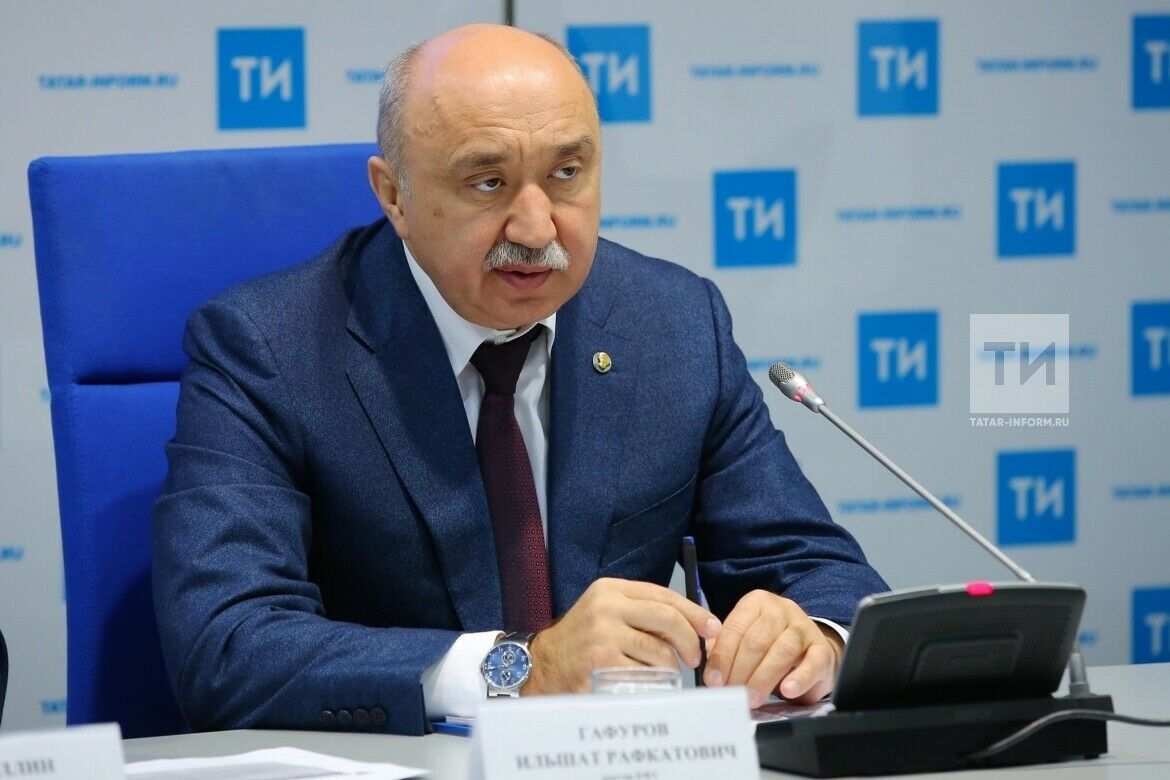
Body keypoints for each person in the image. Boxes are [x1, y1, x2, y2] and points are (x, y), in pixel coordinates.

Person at [153, 23, 887, 736]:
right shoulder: (269, 347)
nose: (537, 229)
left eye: (567, 174)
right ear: (394, 195)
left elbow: (818, 570)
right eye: (488, 182)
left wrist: (813, 640)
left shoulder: (674, 324)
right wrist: (521, 668)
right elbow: (227, 646)